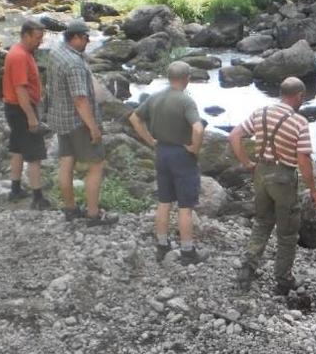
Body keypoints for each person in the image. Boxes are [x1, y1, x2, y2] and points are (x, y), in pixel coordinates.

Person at [229, 77, 316, 295]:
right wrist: (314, 190)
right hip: (284, 177)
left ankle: (247, 271)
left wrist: (247, 163)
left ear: (281, 93)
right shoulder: (299, 122)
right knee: (287, 234)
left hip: (261, 173)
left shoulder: (260, 113)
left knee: (261, 223)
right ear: (299, 96)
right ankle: (283, 280)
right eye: (303, 97)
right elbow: (303, 160)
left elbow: (234, 136)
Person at [129, 61, 204, 264]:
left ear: (169, 77)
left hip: (161, 152)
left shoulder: (155, 97)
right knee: (185, 206)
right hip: (182, 155)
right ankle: (188, 251)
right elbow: (197, 129)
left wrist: (150, 140)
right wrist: (194, 149)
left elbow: (135, 118)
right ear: (187, 78)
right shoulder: (185, 101)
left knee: (164, 202)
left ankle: (162, 245)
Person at [45, 19, 116, 226]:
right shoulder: (74, 63)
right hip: (77, 122)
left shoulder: (57, 52)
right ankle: (93, 214)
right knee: (96, 164)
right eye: (85, 37)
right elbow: (80, 99)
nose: (88, 41)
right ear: (74, 37)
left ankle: (70, 208)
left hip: (59, 118)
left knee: (66, 162)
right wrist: (93, 128)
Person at [2, 17, 51, 209]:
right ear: (25, 35)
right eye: (37, 38)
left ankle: (15, 189)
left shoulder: (23, 51)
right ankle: (38, 198)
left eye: (41, 38)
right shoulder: (20, 56)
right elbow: (20, 89)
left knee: (17, 149)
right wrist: (32, 118)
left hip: (14, 109)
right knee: (34, 154)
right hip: (22, 110)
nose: (40, 42)